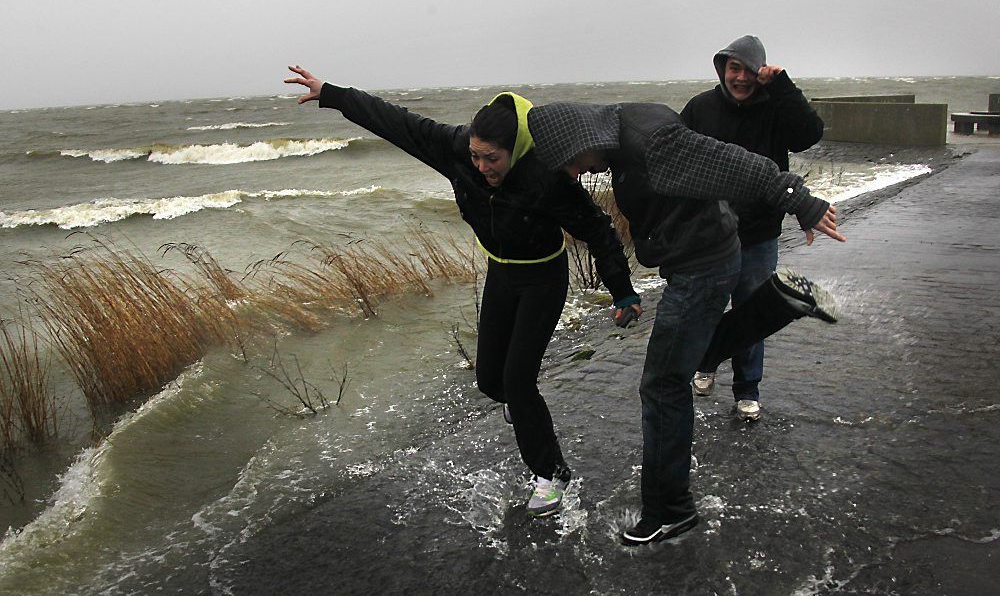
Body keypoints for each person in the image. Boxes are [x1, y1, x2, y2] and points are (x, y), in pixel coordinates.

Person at [284, 66, 642, 518]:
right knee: (491, 381)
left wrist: (623, 293)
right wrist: (331, 94)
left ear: (516, 151)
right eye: (476, 157)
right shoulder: (457, 150)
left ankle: (551, 476)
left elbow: (600, 231)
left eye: (492, 159)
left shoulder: (547, 177)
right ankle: (522, 410)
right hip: (501, 273)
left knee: (518, 381)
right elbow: (395, 121)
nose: (482, 168)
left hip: (542, 278)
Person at [525, 99, 846, 545]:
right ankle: (780, 302)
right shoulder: (626, 128)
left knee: (662, 385)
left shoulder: (648, 142)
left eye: (572, 162)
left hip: (702, 266)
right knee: (694, 355)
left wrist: (799, 199)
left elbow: (731, 161)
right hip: (702, 255)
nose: (577, 173)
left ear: (581, 139)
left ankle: (669, 510)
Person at [681, 35, 826, 421]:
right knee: (706, 306)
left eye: (748, 70)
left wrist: (781, 87)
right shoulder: (700, 108)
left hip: (759, 233)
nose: (740, 78)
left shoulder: (774, 108)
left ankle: (747, 389)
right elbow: (677, 156)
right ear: (722, 68)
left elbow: (809, 135)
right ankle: (706, 363)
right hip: (709, 234)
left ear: (760, 73)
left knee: (751, 314)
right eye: (734, 68)